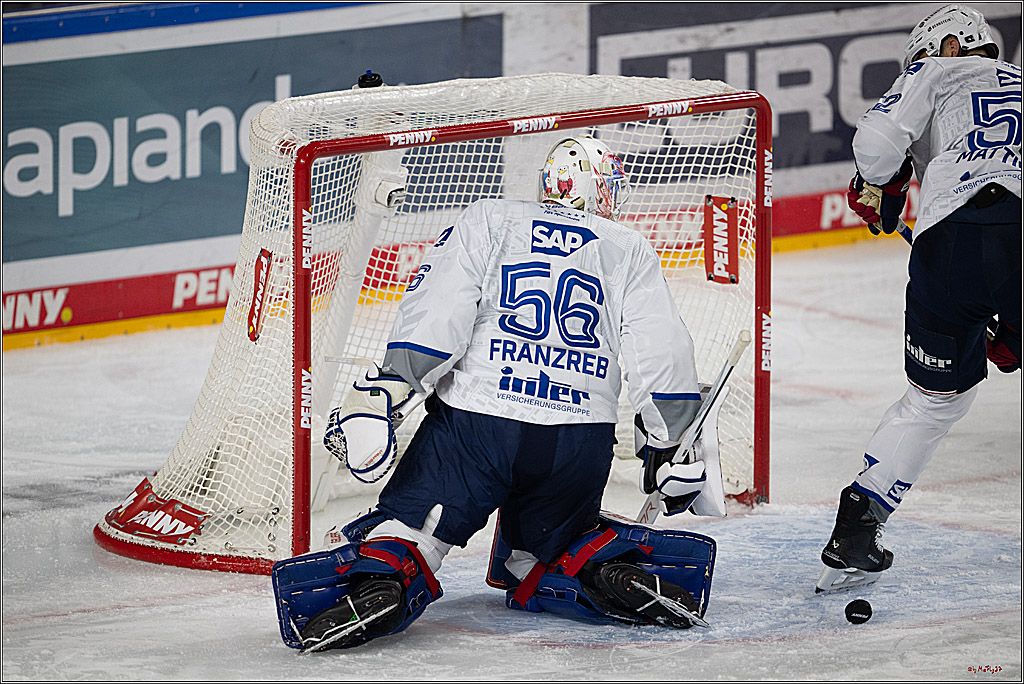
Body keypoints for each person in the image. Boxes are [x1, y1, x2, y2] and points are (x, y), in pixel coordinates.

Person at [271, 136, 725, 651]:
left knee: (415, 529)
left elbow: (439, 317)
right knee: (551, 543)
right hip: (578, 440)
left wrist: (383, 395)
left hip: (478, 426)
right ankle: (586, 564)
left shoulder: (489, 218)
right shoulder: (628, 246)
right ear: (600, 190)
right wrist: (668, 442)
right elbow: (662, 351)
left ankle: (385, 580)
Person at [818, 3, 1021, 594]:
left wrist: (883, 183)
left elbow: (879, 143)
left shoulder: (935, 71)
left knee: (934, 401)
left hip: (950, 244)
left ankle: (859, 522)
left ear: (952, 46)